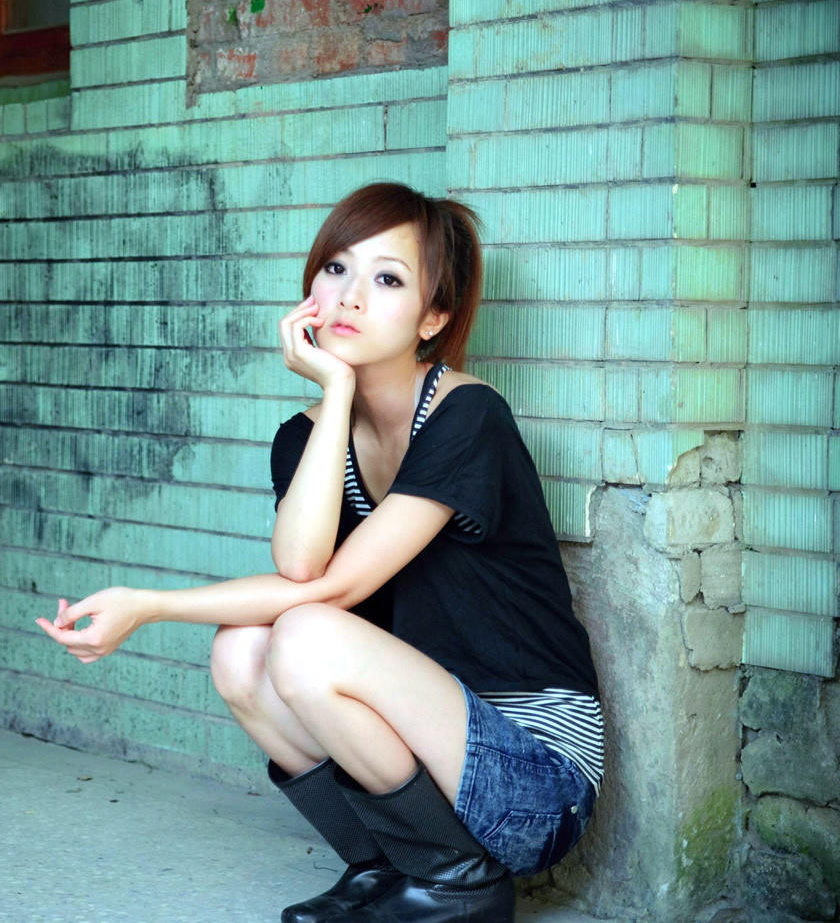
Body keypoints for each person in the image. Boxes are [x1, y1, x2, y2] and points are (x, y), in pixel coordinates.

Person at [36, 183, 603, 923]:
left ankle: (460, 882)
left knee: (306, 634)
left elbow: (328, 592)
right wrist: (337, 391)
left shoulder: (469, 415)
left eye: (388, 279)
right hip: (431, 737)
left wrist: (149, 606)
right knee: (239, 650)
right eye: (336, 268)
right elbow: (300, 568)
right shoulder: (306, 439)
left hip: (535, 775)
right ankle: (387, 866)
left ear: (433, 317)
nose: (349, 297)